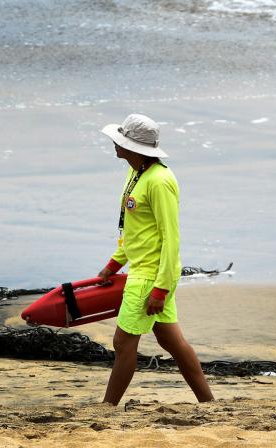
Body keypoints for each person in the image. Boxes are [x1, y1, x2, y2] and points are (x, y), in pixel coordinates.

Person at [97, 113, 214, 406]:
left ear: (135, 148)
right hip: (143, 269)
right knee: (171, 341)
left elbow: (170, 238)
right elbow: (137, 231)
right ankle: (209, 404)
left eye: (120, 140)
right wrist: (114, 263)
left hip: (151, 276)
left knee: (123, 343)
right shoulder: (135, 173)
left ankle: (107, 407)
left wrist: (161, 288)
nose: (114, 143)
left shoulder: (159, 181)